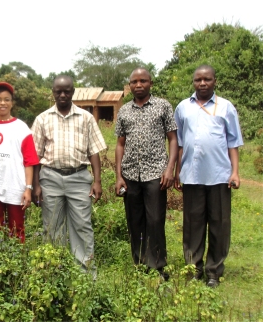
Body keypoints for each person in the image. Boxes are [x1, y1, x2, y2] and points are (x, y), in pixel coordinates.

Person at [174, 65, 243, 288]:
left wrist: (235, 172)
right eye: (198, 80)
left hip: (220, 176)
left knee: (219, 224)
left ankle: (214, 271)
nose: (202, 83)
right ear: (193, 82)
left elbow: (233, 142)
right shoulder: (183, 107)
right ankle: (194, 268)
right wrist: (177, 171)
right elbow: (180, 143)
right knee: (193, 225)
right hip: (192, 177)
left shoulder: (226, 107)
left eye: (207, 79)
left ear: (215, 81)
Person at [31, 75, 106, 271]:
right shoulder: (42, 119)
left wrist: (97, 181)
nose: (63, 94)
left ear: (73, 92)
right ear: (53, 93)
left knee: (82, 225)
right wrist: (36, 185)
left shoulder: (86, 118)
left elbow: (94, 151)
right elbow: (35, 155)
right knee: (52, 226)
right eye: (58, 91)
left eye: (67, 91)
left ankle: (85, 273)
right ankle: (55, 271)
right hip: (50, 178)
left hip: (79, 178)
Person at [115, 68, 178, 280]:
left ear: (151, 83)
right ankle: (140, 263)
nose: (138, 85)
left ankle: (158, 265)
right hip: (131, 173)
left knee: (155, 220)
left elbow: (173, 139)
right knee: (134, 221)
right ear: (129, 85)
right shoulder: (124, 111)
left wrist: (170, 169)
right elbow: (120, 144)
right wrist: (118, 175)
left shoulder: (163, 106)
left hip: (155, 174)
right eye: (134, 82)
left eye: (143, 81)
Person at [0, 82, 39, 243]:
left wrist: (28, 189)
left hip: (16, 188)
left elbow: (29, 161)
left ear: (12, 103)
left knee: (17, 230)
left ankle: (18, 266)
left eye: (7, 99)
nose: (2, 103)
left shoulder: (22, 128)